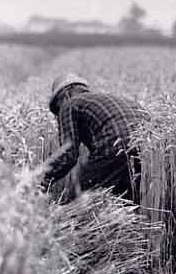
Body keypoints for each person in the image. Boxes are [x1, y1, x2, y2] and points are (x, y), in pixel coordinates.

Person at [42, 73, 147, 204]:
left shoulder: (69, 104)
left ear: (65, 95)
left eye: (58, 107)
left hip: (114, 148)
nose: (59, 113)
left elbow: (68, 154)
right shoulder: (118, 99)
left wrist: (41, 178)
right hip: (147, 153)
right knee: (126, 203)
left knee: (80, 200)